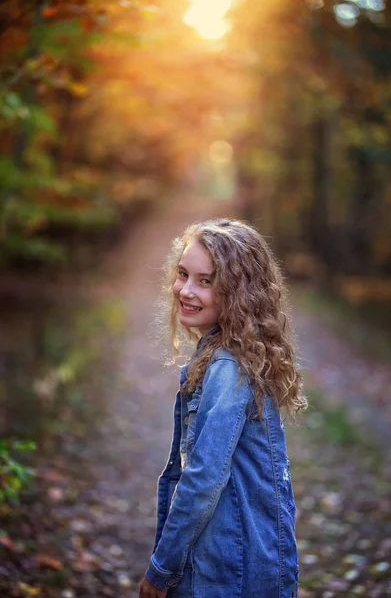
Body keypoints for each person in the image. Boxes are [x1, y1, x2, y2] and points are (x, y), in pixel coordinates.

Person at [139, 218, 307, 598]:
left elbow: (201, 481)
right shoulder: (230, 357)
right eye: (183, 274)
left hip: (229, 574)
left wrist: (160, 569)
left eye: (206, 280)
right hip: (241, 564)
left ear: (238, 292)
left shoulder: (229, 369)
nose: (185, 290)